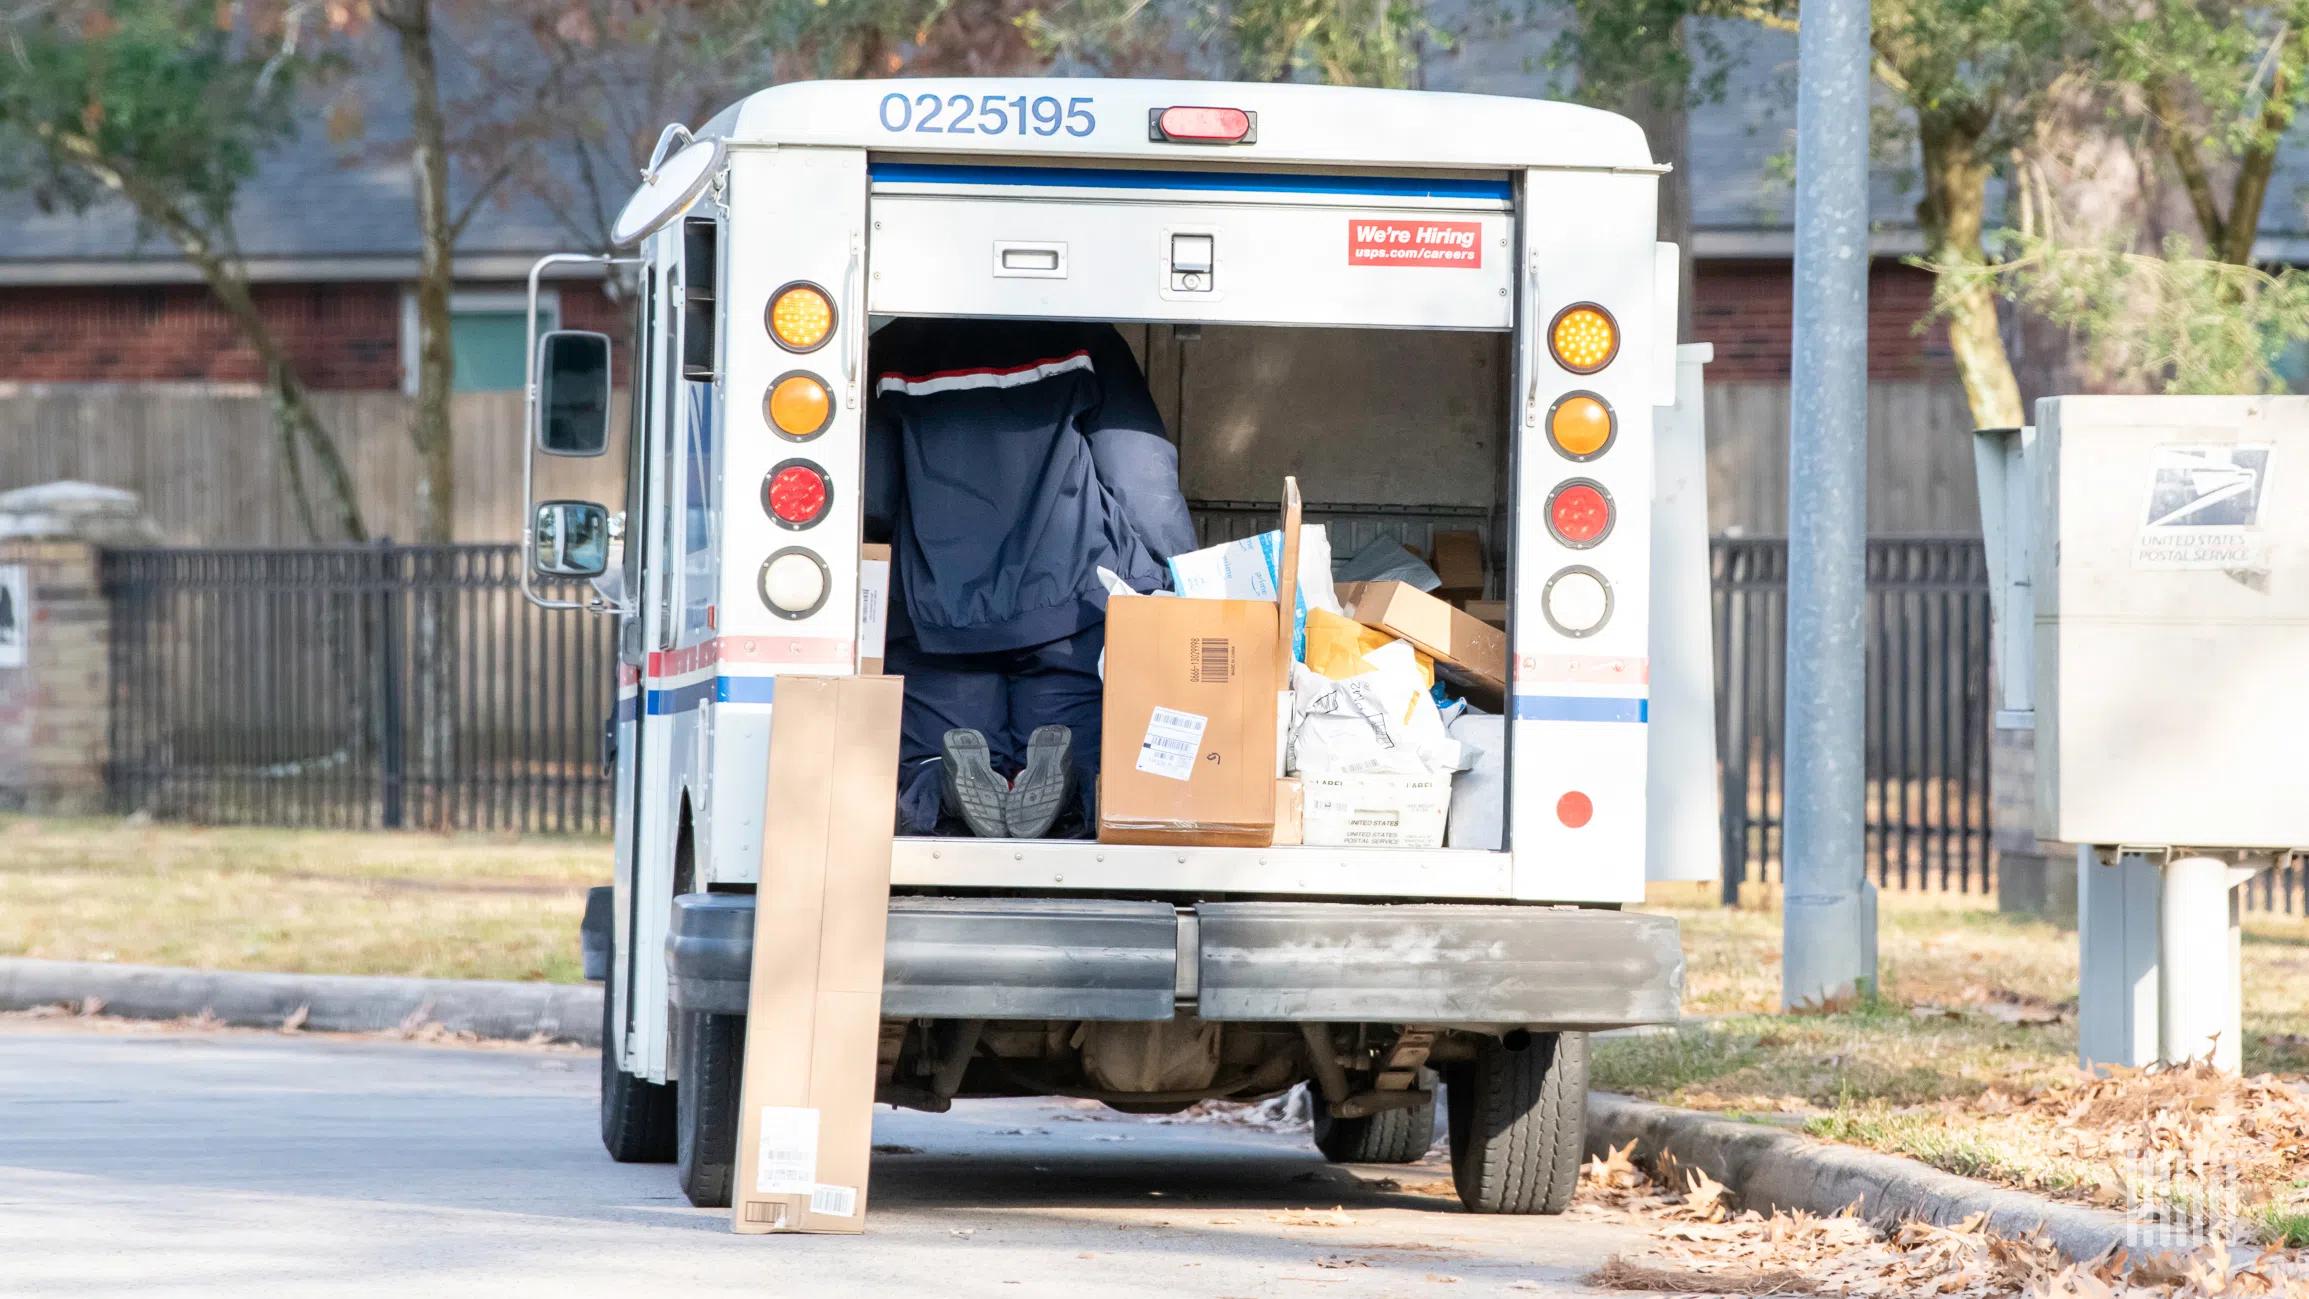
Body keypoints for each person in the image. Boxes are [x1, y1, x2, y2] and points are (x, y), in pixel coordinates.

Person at [864, 319, 1194, 838]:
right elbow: (1138, 473)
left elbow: (874, 496)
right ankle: (1067, 789)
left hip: (937, 611)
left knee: (936, 747)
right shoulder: (1086, 338)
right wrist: (1179, 574)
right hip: (1071, 602)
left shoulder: (890, 348)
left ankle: (945, 789)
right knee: (1079, 741)